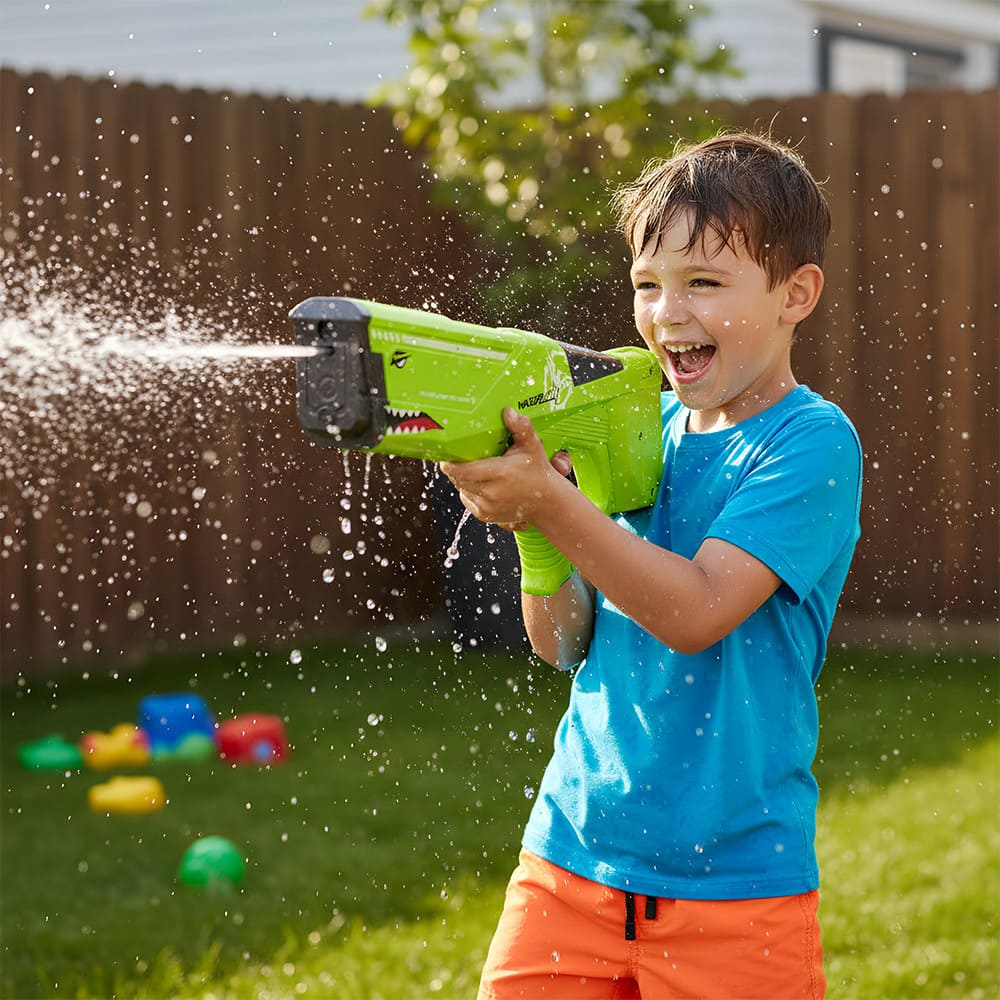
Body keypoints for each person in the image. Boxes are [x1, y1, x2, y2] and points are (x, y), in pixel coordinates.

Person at [440, 131, 863, 1000]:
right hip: (569, 863)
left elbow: (696, 612)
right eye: (647, 283)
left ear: (796, 294)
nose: (667, 312)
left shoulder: (810, 442)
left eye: (703, 282)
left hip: (735, 893)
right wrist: (535, 527)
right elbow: (561, 644)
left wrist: (552, 504)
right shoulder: (639, 430)